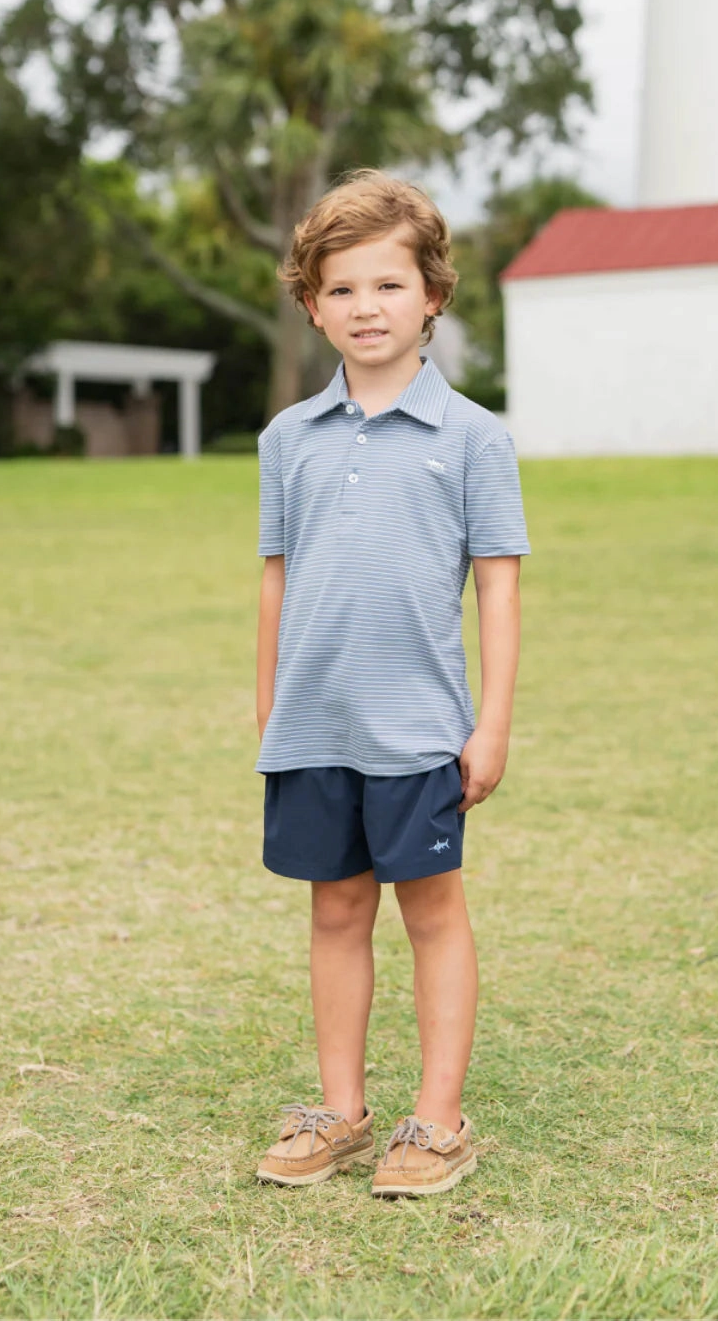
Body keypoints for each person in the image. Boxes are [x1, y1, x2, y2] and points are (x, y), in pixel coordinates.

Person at [252, 169, 529, 1199]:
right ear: (311, 303)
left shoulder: (474, 439)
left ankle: (437, 1121)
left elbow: (496, 595)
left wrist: (489, 725)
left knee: (430, 911)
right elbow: (276, 584)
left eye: (387, 285)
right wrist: (269, 708)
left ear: (432, 296)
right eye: (341, 289)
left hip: (418, 728)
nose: (365, 308)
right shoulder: (287, 440)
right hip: (313, 725)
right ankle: (339, 1112)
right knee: (333, 909)